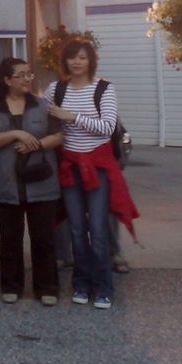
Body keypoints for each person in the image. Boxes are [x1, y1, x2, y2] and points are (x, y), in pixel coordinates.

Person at [45, 39, 137, 310]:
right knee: (76, 228)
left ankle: (103, 287)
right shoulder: (55, 89)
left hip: (97, 167)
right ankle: (81, 284)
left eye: (83, 57)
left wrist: (72, 117)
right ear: (65, 61)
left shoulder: (104, 89)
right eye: (72, 57)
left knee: (97, 228)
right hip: (69, 167)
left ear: (91, 61)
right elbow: (45, 120)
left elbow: (108, 127)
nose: (77, 62)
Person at [0, 57, 63, 305]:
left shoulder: (43, 105)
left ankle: (47, 287)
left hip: (41, 182)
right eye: (22, 75)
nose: (28, 79)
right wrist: (15, 134)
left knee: (43, 237)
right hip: (6, 183)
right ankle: (11, 285)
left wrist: (35, 145)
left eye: (29, 74)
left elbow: (57, 136)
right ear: (7, 80)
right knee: (10, 238)